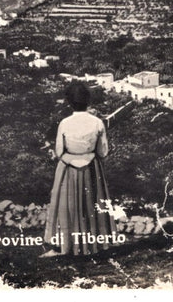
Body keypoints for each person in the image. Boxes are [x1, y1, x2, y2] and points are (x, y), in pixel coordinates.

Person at [43, 81, 117, 256]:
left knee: (66, 206)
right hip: (91, 168)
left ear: (69, 102)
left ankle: (65, 246)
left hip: (68, 170)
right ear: (88, 101)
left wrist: (72, 157)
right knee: (92, 205)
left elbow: (60, 151)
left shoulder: (64, 123)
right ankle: (94, 245)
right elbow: (103, 152)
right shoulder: (97, 122)